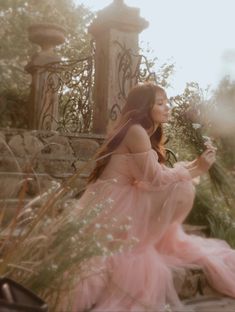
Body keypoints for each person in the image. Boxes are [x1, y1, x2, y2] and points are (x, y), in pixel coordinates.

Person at [71, 83, 235, 312]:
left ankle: (154, 240)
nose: (167, 107)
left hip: (121, 195)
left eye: (167, 101)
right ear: (144, 106)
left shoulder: (145, 132)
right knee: (182, 185)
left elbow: (157, 175)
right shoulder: (136, 131)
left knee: (181, 182)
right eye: (160, 103)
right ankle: (149, 241)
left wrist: (197, 164)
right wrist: (197, 170)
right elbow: (155, 179)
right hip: (114, 202)